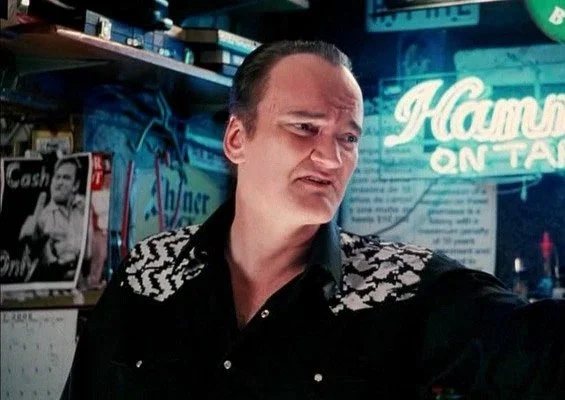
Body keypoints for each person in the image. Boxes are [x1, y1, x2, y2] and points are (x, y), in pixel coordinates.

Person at [62, 41, 565, 399]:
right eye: (305, 127)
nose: (331, 157)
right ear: (237, 139)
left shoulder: (401, 285)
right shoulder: (150, 271)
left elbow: (543, 352)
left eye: (348, 138)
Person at [19, 157, 86, 281]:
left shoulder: (83, 208)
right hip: (52, 284)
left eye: (66, 178)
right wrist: (32, 239)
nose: (59, 182)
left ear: (76, 185)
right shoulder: (43, 217)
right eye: (57, 177)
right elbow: (32, 243)